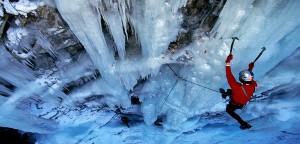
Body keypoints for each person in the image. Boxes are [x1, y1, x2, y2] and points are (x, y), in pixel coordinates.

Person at [221, 54, 257, 130]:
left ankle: (224, 96)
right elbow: (249, 78)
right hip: (241, 102)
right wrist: (250, 69)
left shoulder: (236, 86)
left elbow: (229, 74)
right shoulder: (253, 85)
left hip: (235, 102)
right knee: (230, 92)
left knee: (228, 109)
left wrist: (228, 61)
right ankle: (243, 123)